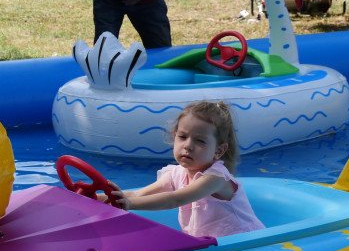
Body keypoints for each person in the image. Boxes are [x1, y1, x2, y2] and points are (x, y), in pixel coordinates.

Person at [106, 100, 264, 238]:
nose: (188, 145)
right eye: (182, 137)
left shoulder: (215, 179)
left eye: (200, 141)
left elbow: (175, 199)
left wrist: (129, 205)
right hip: (211, 244)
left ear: (218, 151)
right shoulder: (176, 174)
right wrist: (97, 197)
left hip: (246, 244)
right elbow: (136, 193)